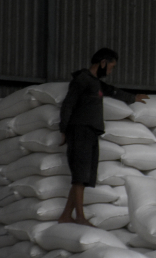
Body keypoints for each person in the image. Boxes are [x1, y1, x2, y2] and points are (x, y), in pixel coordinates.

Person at [58, 48, 149, 224]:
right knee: (79, 176)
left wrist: (134, 97)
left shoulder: (97, 83)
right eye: (111, 67)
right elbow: (68, 105)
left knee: (84, 176)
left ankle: (66, 215)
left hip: (91, 132)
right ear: (103, 62)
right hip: (79, 130)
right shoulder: (82, 80)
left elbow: (113, 91)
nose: (110, 71)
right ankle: (79, 217)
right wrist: (64, 130)